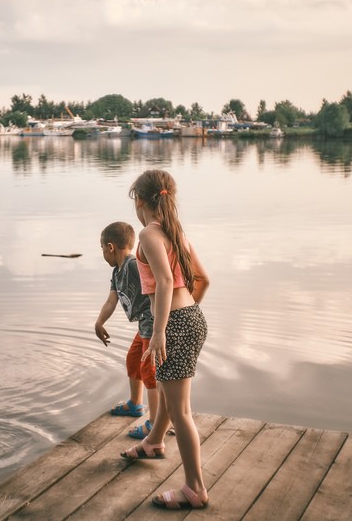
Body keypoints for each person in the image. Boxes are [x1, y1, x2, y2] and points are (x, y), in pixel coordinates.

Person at [119, 169, 211, 511]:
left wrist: (161, 331)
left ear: (139, 200)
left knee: (181, 410)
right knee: (174, 401)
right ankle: (154, 442)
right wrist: (184, 318)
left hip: (173, 324)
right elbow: (202, 280)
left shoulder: (148, 234)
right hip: (191, 318)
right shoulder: (177, 232)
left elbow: (163, 279)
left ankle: (195, 489)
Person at [95, 221, 158, 439]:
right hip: (143, 325)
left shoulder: (133, 265)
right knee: (133, 359)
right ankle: (135, 404)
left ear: (111, 247)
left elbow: (157, 287)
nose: (103, 253)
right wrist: (99, 322)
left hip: (152, 324)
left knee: (149, 370)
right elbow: (111, 301)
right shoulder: (116, 273)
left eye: (102, 248)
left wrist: (160, 327)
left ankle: (155, 422)